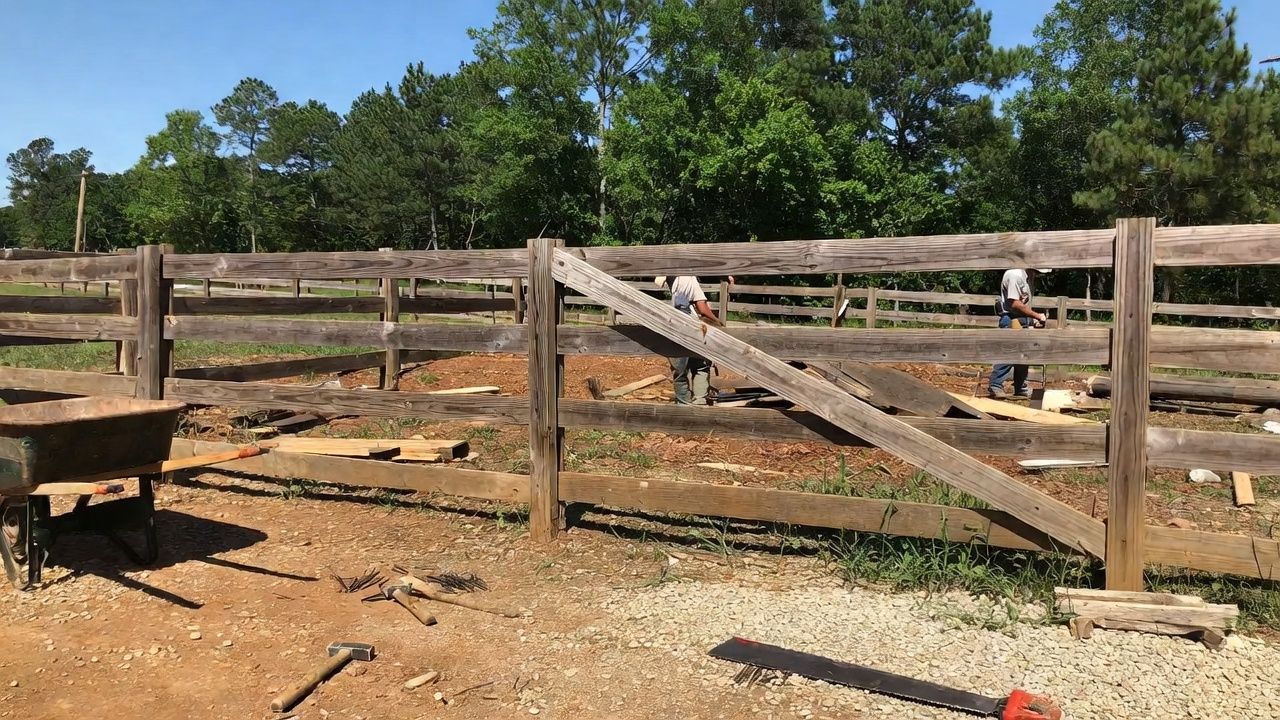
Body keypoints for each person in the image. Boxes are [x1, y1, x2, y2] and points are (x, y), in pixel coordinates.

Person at [656, 275, 723, 404]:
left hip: (676, 325)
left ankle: (683, 403)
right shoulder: (689, 279)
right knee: (701, 366)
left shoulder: (675, 283)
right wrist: (718, 322)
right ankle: (700, 402)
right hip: (693, 325)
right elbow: (702, 308)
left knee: (680, 370)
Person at [988, 268, 1051, 399]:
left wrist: (1031, 320)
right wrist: (1037, 316)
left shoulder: (1026, 278)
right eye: (1036, 272)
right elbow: (1014, 303)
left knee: (1024, 354)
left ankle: (1020, 386)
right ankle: (995, 385)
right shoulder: (1014, 275)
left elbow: (1023, 304)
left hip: (1019, 318)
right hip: (1011, 318)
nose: (1037, 275)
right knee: (1010, 352)